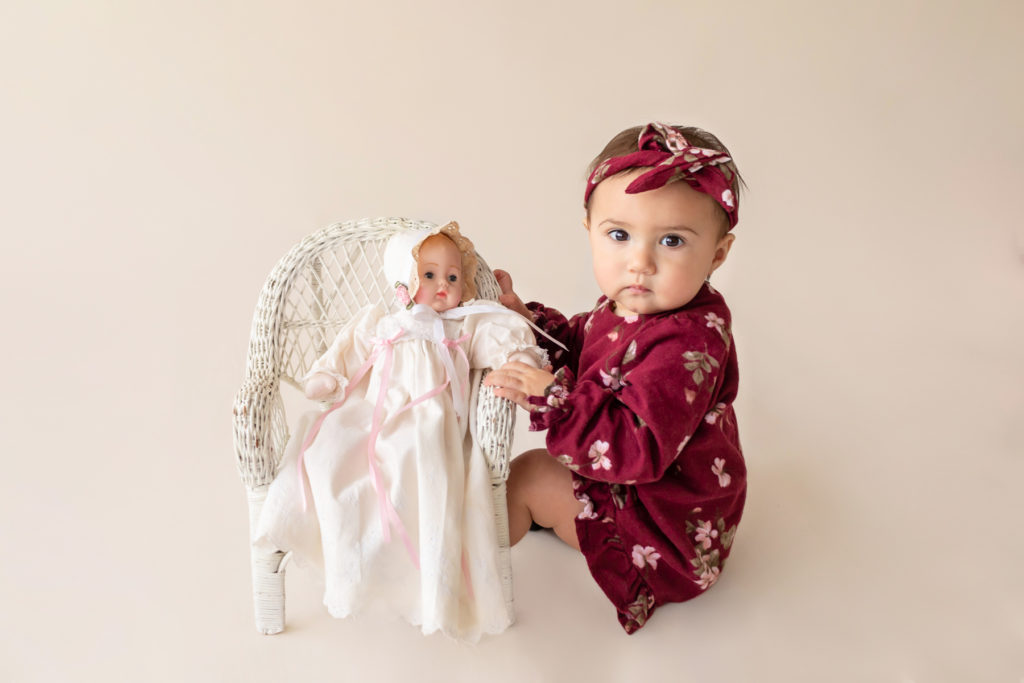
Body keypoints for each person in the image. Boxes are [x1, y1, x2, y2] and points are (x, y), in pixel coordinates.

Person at [484, 122, 747, 634]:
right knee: (536, 469)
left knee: (529, 476)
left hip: (666, 532)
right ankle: (536, 515)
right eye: (619, 235)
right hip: (651, 493)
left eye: (672, 240)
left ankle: (470, 560)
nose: (640, 262)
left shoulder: (688, 342)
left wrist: (553, 397)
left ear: (717, 254)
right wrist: (529, 324)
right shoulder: (635, 303)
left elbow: (637, 447)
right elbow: (587, 348)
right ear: (590, 230)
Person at [254, 221, 546, 642]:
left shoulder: (463, 326)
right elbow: (348, 349)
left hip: (433, 420)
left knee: (421, 459)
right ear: (404, 282)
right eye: (429, 275)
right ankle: (353, 561)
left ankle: (425, 590)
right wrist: (328, 377)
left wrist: (520, 356)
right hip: (374, 413)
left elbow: (504, 337)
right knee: (329, 455)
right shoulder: (383, 323)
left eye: (453, 277)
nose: (443, 286)